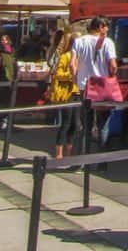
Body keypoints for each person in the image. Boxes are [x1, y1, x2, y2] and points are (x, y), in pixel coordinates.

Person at [70, 16, 117, 140]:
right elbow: (113, 66)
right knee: (103, 122)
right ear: (100, 27)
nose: (107, 30)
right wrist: (112, 77)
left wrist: (75, 78)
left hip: (84, 85)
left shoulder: (79, 41)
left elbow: (72, 63)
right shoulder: (108, 42)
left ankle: (85, 153)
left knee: (86, 121)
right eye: (106, 27)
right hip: (102, 84)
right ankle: (101, 156)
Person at [48, 31, 80, 160]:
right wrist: (72, 76)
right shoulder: (65, 56)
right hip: (67, 93)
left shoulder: (80, 57)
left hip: (77, 92)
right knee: (66, 123)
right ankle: (59, 153)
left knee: (75, 124)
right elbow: (58, 74)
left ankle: (70, 151)